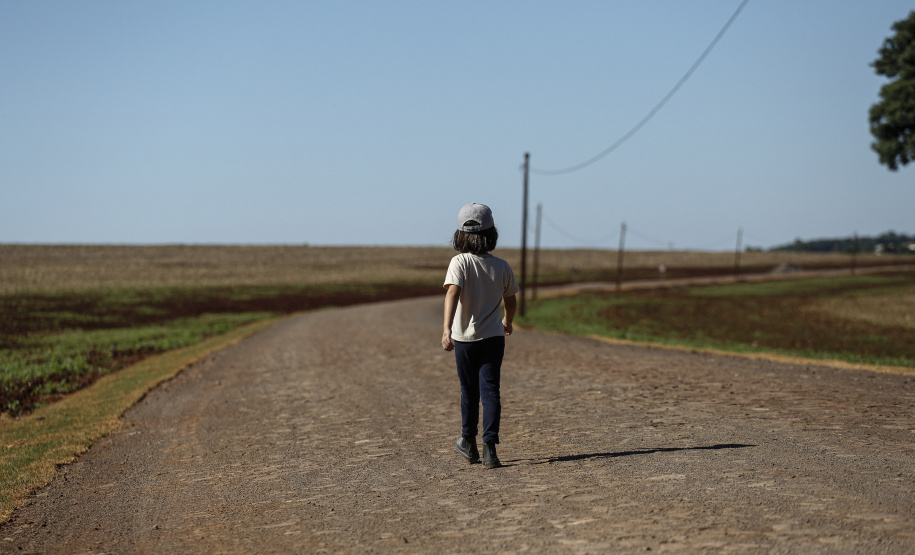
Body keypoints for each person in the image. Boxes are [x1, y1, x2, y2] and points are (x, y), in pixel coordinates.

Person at [442, 203, 519, 469]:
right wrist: (508, 320)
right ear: (491, 233)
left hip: (464, 339)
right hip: (494, 339)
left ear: (460, 234)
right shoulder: (502, 266)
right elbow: (511, 299)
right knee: (490, 391)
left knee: (469, 392)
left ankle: (468, 442)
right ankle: (490, 449)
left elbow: (452, 293)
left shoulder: (459, 262)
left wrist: (446, 330)